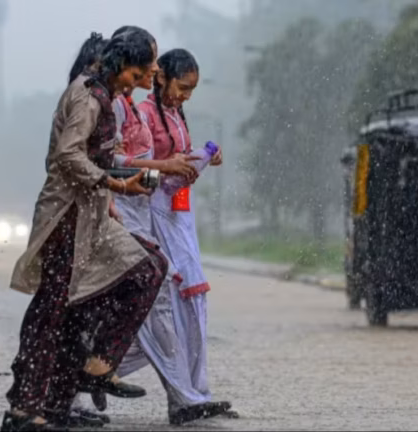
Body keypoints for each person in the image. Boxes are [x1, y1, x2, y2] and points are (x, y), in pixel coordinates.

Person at [1, 28, 166, 432]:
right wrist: (114, 185)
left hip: (92, 215)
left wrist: (120, 183)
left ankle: (94, 368)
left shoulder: (107, 96)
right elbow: (67, 155)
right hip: (65, 219)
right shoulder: (88, 96)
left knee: (146, 268)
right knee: (52, 310)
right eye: (140, 71)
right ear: (122, 65)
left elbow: (97, 157)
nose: (142, 79)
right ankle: (25, 410)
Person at [137, 48, 233, 423]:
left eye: (192, 90)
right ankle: (184, 396)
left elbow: (176, 163)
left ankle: (195, 392)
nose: (185, 96)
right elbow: (135, 169)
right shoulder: (143, 116)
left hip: (180, 215)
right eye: (182, 86)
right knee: (165, 308)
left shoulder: (176, 114)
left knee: (192, 304)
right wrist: (169, 168)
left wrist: (200, 157)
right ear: (160, 77)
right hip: (153, 216)